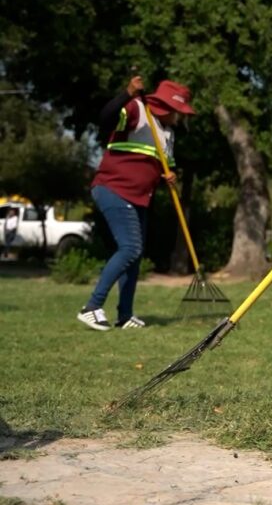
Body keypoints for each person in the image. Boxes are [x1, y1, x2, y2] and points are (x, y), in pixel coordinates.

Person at [76, 76, 195, 331]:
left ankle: (125, 315)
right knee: (130, 248)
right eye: (178, 112)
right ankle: (92, 307)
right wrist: (126, 93)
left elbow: (164, 167)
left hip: (140, 197)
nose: (180, 118)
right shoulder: (135, 111)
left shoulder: (167, 134)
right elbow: (105, 119)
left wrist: (169, 177)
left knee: (134, 256)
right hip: (113, 190)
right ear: (167, 108)